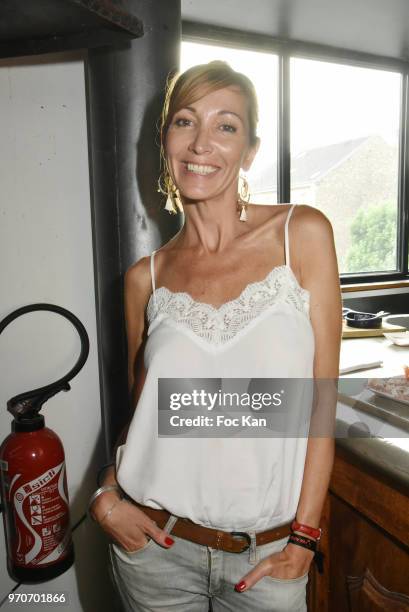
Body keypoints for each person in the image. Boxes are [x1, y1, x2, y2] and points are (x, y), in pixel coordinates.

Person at [89, 60, 342, 611]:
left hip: (269, 556)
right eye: (185, 121)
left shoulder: (302, 236)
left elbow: (321, 407)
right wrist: (107, 493)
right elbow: (143, 415)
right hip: (154, 549)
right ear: (165, 141)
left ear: (250, 149)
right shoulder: (143, 278)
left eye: (225, 126)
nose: (202, 142)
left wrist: (304, 536)